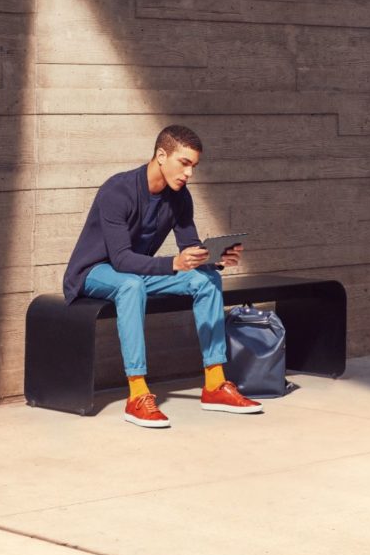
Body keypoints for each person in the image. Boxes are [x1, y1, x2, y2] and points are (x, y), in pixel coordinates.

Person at [62, 125, 261, 428]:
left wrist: (216, 259)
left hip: (137, 272)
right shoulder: (118, 191)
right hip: (95, 271)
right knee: (129, 285)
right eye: (184, 163)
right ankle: (138, 394)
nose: (189, 173)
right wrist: (174, 263)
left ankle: (215, 384)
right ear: (160, 155)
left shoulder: (180, 197)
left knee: (205, 281)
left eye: (194, 166)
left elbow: (188, 250)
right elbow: (121, 259)